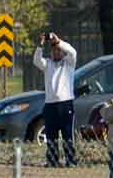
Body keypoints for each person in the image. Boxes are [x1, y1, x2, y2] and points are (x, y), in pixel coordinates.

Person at [34, 32, 79, 167]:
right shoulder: (47, 64)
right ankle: (52, 160)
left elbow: (72, 51)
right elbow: (36, 60)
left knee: (67, 135)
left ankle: (70, 161)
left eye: (58, 50)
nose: (56, 53)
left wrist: (58, 41)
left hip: (66, 104)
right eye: (53, 50)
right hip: (50, 105)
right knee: (51, 136)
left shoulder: (69, 62)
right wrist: (40, 44)